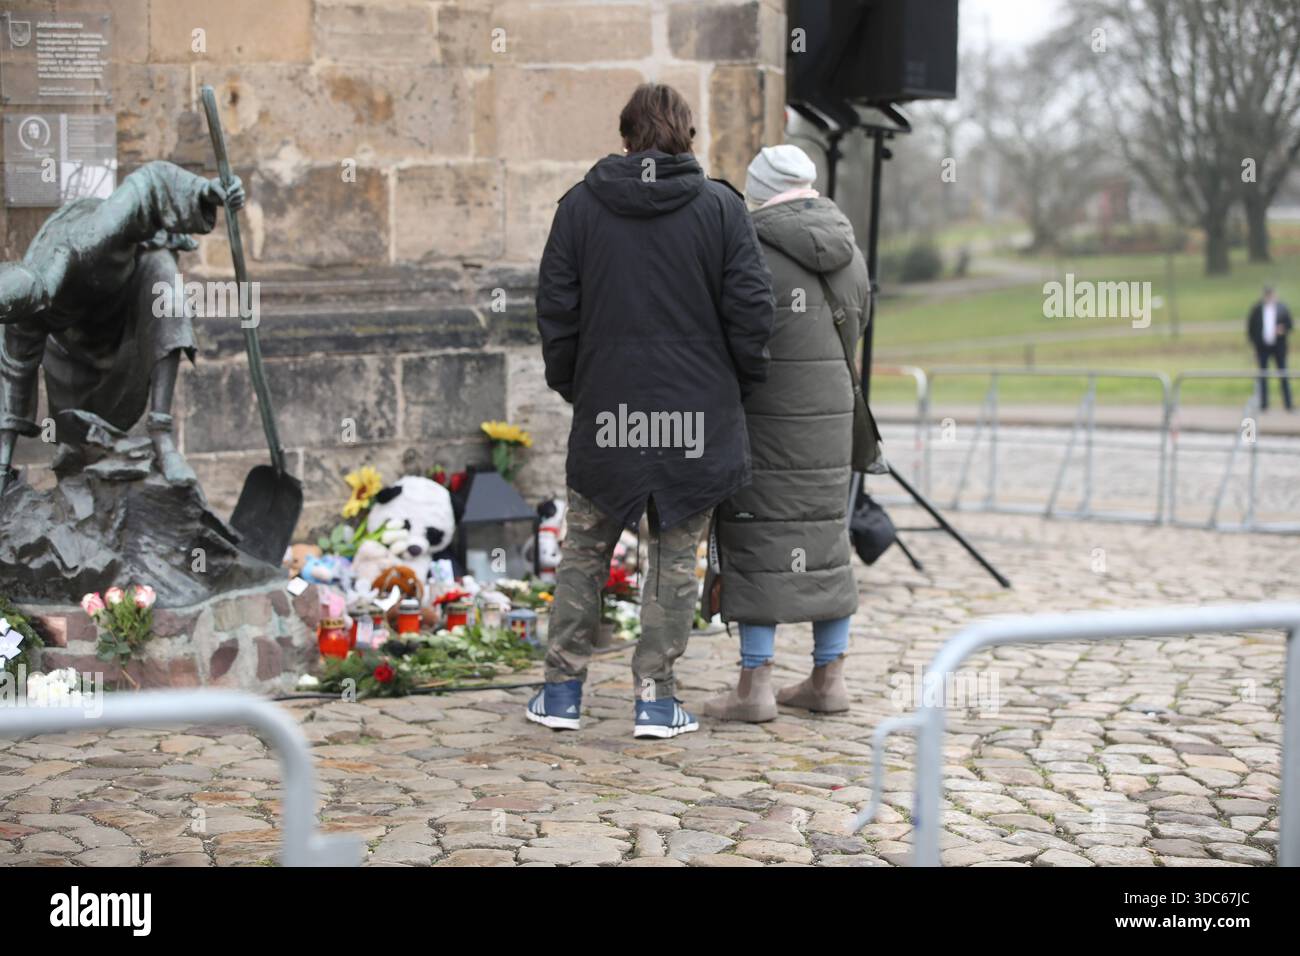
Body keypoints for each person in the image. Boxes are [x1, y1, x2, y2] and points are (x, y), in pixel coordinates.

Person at [529, 83, 775, 739]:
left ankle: (560, 693)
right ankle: (656, 700)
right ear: (687, 136)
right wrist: (734, 387)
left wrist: (578, 388)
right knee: (671, 557)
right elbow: (752, 315)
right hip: (696, 414)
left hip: (609, 411)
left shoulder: (579, 208)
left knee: (584, 548)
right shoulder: (723, 209)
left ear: (626, 136)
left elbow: (556, 314)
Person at [703, 144, 869, 722]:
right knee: (826, 540)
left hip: (764, 419)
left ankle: (755, 688)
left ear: (760, 191)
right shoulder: (849, 249)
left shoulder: (748, 245)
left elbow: (734, 333)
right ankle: (828, 680)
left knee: (758, 539)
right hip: (831, 420)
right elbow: (860, 324)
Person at [0, 161, 246, 496]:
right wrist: (2, 465)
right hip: (79, 341)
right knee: (79, 450)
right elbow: (14, 383)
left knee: (166, 286)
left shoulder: (92, 235)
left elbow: (149, 182)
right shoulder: (20, 315)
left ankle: (162, 434)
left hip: (132, 288)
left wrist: (205, 190)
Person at [1247, 285, 1293, 411]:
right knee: (1263, 376)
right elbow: (1251, 330)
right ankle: (1264, 405)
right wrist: (1255, 348)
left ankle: (1288, 405)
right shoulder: (1257, 309)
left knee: (1283, 375)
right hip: (1263, 348)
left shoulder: (1282, 308)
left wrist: (1282, 330)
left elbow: (1290, 325)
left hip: (1279, 347)